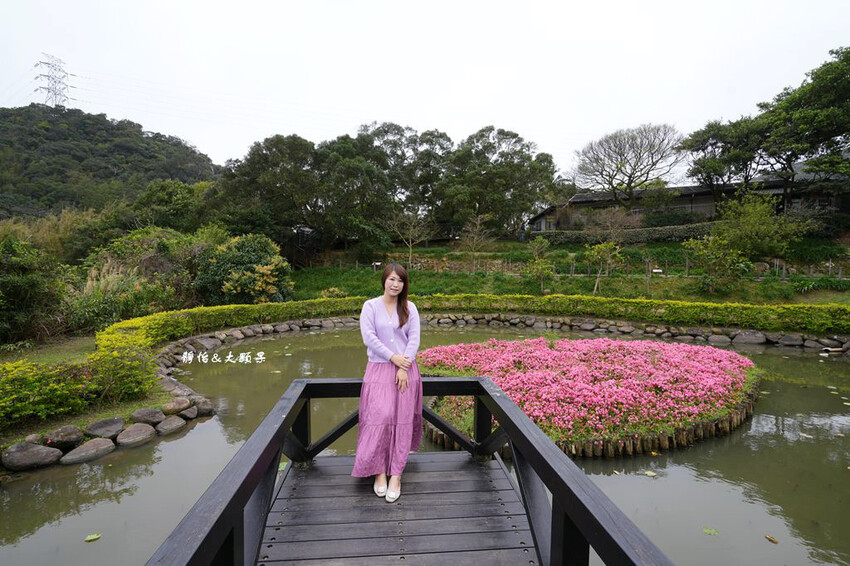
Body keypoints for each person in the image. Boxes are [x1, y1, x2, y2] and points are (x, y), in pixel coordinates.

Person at [350, 263, 422, 503]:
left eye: (400, 281)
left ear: (404, 284)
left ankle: (397, 475)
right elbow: (368, 337)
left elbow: (414, 339)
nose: (395, 284)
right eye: (391, 279)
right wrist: (393, 358)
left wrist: (404, 365)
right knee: (378, 417)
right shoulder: (370, 306)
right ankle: (379, 471)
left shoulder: (410, 308)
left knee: (402, 420)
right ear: (384, 280)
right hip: (379, 368)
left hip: (406, 370)